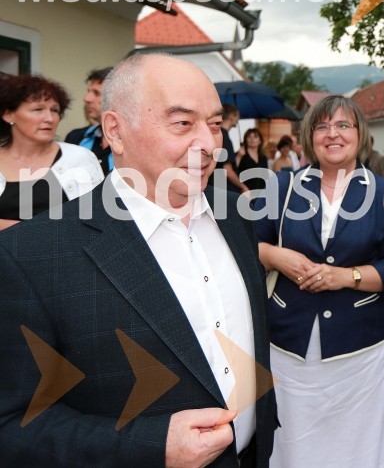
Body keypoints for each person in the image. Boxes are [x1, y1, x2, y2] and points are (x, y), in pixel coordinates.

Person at [0, 55, 276, 466]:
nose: (209, 144)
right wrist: (151, 446)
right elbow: (12, 425)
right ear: (115, 130)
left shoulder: (236, 218)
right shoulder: (30, 255)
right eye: (182, 123)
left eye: (215, 124)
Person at [255, 94, 384, 467]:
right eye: (322, 126)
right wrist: (277, 257)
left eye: (343, 125)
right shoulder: (282, 186)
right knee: (291, 433)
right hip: (288, 344)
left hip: (358, 348)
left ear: (360, 134)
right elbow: (248, 244)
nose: (333, 134)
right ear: (310, 136)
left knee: (353, 442)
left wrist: (345, 276)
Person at [0, 74, 103, 231]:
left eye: (55, 110)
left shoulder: (80, 158)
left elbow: (98, 220)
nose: (49, 118)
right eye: (37, 109)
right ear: (8, 114)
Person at [65, 67, 114, 175]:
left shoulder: (135, 143)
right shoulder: (75, 137)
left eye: (96, 93)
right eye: (88, 91)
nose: (86, 98)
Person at [208, 104, 247, 193]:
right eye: (237, 116)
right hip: (223, 189)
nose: (238, 119)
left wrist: (239, 156)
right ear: (232, 117)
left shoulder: (216, 135)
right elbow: (228, 171)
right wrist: (243, 187)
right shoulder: (224, 138)